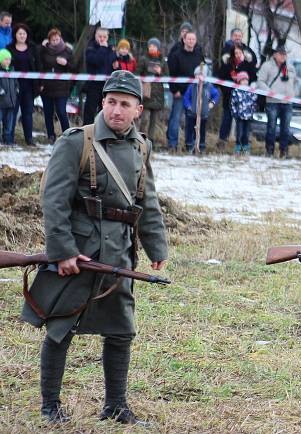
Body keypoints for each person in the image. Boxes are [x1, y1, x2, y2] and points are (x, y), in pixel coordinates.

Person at [22, 70, 168, 425]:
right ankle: (50, 406)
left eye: (125, 104)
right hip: (81, 252)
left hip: (118, 253)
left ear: (138, 110)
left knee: (121, 328)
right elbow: (53, 201)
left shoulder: (141, 147)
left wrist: (156, 246)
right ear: (102, 103)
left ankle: (115, 406)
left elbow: (145, 202)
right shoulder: (77, 142)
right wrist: (62, 252)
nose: (117, 111)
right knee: (60, 327)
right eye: (111, 102)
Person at [217, 29, 258, 148]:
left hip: (245, 99)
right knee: (227, 118)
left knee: (244, 122)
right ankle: (222, 141)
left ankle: (243, 143)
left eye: (240, 35)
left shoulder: (248, 62)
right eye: (235, 35)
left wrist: (252, 87)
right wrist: (227, 90)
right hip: (230, 96)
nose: (237, 37)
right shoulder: (228, 62)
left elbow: (254, 76)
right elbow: (221, 77)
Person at [166, 30, 203, 151]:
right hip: (180, 93)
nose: (191, 41)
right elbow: (171, 74)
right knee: (175, 118)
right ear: (184, 40)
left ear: (195, 41)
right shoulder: (176, 55)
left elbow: (203, 72)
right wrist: (174, 90)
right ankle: (172, 144)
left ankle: (190, 145)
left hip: (194, 93)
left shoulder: (199, 55)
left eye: (193, 39)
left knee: (192, 121)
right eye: (189, 39)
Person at [256, 45, 296, 158]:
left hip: (287, 103)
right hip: (272, 102)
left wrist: (294, 93)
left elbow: (296, 82)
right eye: (281, 54)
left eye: (285, 54)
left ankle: (284, 151)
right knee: (271, 127)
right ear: (275, 54)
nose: (283, 56)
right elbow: (260, 81)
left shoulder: (290, 67)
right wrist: (269, 92)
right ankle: (269, 151)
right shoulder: (267, 66)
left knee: (286, 129)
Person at [6, 23, 40, 145]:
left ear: (27, 35)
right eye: (20, 33)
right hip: (13, 87)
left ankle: (29, 139)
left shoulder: (33, 48)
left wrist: (40, 82)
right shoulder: (9, 48)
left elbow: (38, 66)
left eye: (24, 33)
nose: (22, 35)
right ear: (15, 35)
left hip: (29, 86)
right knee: (12, 113)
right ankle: (9, 138)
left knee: (27, 113)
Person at [39, 28, 74, 144]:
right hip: (47, 86)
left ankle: (67, 135)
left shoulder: (67, 50)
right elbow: (39, 64)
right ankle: (51, 135)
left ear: (61, 39)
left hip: (62, 87)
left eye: (57, 39)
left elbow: (74, 68)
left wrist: (66, 64)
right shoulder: (44, 50)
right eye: (53, 40)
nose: (55, 41)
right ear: (49, 40)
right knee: (48, 113)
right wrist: (42, 47)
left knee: (61, 111)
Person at [182, 64, 219, 154]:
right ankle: (189, 145)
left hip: (203, 114)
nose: (198, 77)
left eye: (201, 75)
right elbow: (186, 97)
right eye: (197, 75)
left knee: (201, 131)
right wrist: (189, 106)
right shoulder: (192, 86)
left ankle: (201, 146)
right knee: (190, 130)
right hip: (192, 114)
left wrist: (212, 103)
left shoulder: (209, 86)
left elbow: (216, 94)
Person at [82, 27, 115, 126]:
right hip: (93, 85)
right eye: (100, 36)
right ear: (95, 36)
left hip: (106, 85)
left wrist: (116, 65)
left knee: (105, 111)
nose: (102, 39)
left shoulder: (111, 49)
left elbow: (112, 65)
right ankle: (87, 132)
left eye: (104, 37)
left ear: (108, 37)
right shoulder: (90, 48)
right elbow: (96, 61)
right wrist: (103, 48)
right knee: (90, 111)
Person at [136, 38, 166, 143]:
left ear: (158, 47)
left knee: (154, 121)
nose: (152, 48)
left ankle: (151, 141)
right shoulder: (143, 59)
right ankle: (140, 138)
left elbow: (167, 76)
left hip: (158, 94)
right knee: (144, 119)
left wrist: (160, 72)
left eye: (154, 46)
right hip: (146, 93)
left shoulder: (162, 61)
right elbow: (137, 74)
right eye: (150, 46)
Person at [231, 71, 257, 156]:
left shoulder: (251, 91)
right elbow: (233, 103)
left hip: (248, 116)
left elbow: (254, 102)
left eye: (246, 80)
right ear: (239, 81)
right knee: (239, 133)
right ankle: (238, 148)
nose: (245, 82)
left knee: (246, 133)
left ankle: (246, 148)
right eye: (243, 80)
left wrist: (252, 112)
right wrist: (235, 113)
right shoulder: (236, 91)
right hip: (239, 116)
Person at [0, 48, 17, 145]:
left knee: (9, 122)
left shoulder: (12, 70)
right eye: (5, 59)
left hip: (11, 101)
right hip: (1, 101)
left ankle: (7, 138)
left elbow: (15, 82)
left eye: (9, 59)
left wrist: (17, 88)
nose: (8, 61)